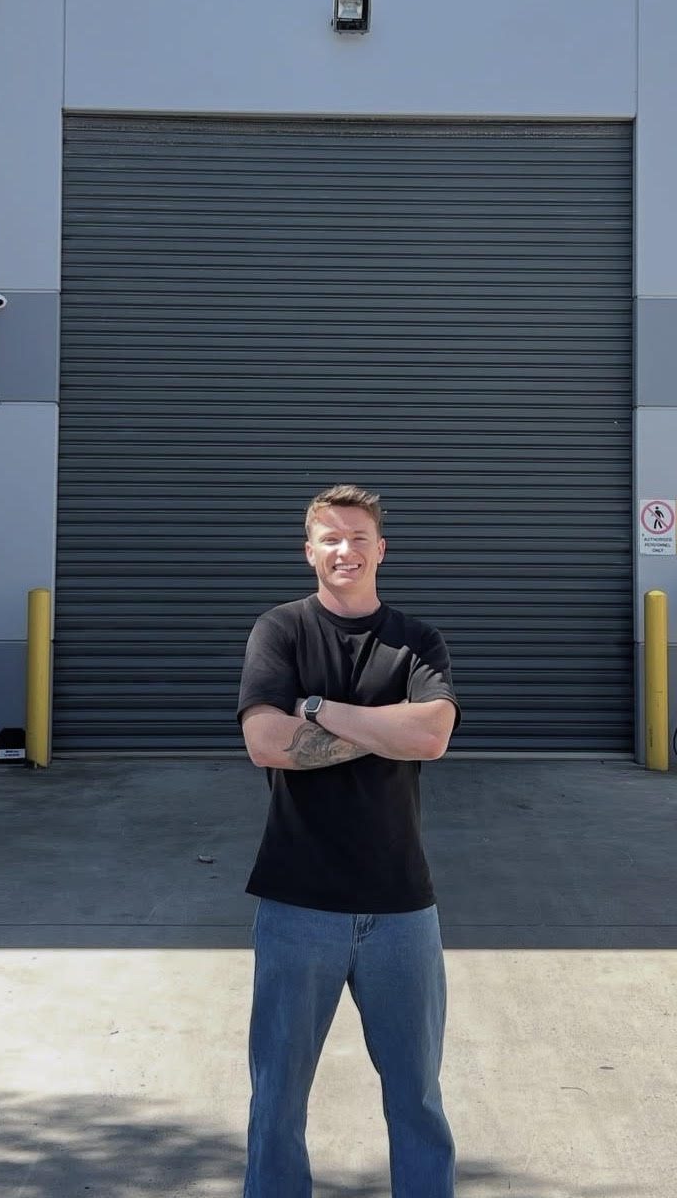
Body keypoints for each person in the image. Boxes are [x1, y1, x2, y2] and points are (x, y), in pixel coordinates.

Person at [237, 483, 460, 1198]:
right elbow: (267, 743)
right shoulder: (280, 630)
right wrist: (383, 727)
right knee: (276, 1101)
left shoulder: (417, 640)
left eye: (359, 537)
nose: (345, 549)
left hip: (402, 907)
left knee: (418, 1099)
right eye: (330, 537)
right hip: (298, 903)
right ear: (309, 551)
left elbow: (431, 734)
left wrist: (320, 709)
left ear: (381, 549)